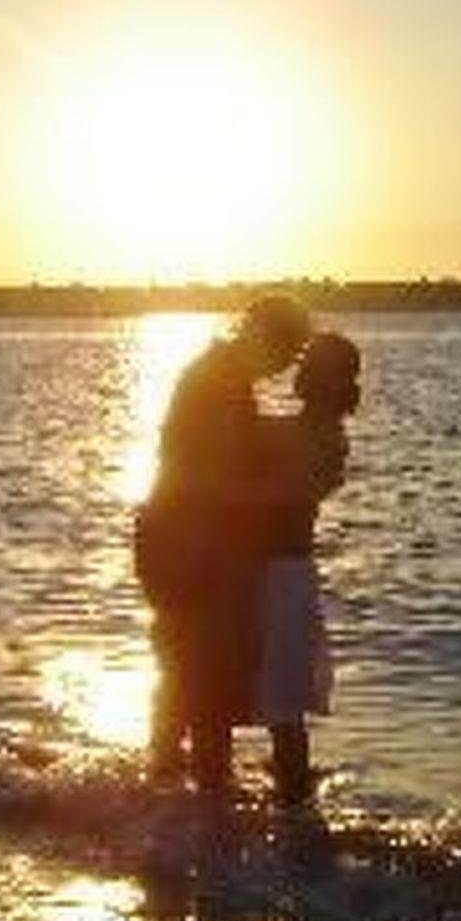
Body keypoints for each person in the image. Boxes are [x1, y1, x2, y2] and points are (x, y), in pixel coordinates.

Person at [135, 296, 312, 795]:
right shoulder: (220, 382)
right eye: (290, 348)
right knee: (203, 678)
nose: (290, 361)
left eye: (297, 352)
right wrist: (286, 495)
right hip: (187, 545)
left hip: (174, 539)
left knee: (185, 672)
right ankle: (205, 800)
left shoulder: (219, 375)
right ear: (263, 336)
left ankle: (164, 792)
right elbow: (209, 480)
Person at [254, 332, 360, 807]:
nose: (302, 373)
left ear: (335, 381)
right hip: (270, 570)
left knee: (283, 705)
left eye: (314, 366)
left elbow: (290, 493)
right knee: (276, 701)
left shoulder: (325, 436)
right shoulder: (300, 427)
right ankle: (289, 802)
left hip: (286, 575)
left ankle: (294, 808)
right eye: (304, 364)